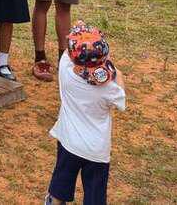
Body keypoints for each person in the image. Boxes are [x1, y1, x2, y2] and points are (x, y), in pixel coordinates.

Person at [46, 22, 126, 205]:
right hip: (96, 150)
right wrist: (117, 73)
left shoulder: (66, 70)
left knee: (60, 185)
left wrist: (78, 32)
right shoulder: (108, 89)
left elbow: (67, 52)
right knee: (95, 195)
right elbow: (121, 101)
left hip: (68, 142)